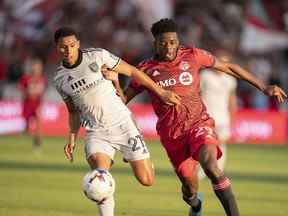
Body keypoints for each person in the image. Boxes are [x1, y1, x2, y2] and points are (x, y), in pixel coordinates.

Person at [102, 18, 287, 216]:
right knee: (189, 188)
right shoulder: (146, 69)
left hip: (199, 124)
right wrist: (115, 83)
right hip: (172, 136)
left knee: (212, 168)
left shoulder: (193, 55)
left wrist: (263, 87)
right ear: (155, 43)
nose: (169, 47)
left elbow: (229, 68)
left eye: (173, 42)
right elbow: (123, 100)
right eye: (163, 42)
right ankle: (195, 204)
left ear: (178, 41)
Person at [53, 27, 180, 216]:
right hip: (96, 131)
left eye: (72, 45)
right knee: (100, 178)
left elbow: (133, 72)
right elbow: (73, 112)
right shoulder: (60, 79)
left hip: (123, 124)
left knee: (147, 180)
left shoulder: (97, 56)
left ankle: (142, 160)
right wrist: (72, 137)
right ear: (57, 48)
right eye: (63, 47)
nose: (68, 50)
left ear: (78, 44)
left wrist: (161, 92)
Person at [198, 48, 237, 179]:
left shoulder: (231, 80)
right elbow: (197, 94)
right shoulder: (205, 76)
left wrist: (232, 118)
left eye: (225, 62)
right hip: (206, 117)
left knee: (221, 144)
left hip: (223, 118)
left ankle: (218, 172)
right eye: (221, 62)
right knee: (204, 144)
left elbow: (232, 100)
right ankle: (201, 172)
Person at [18, 57, 46, 151]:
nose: (37, 69)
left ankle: (37, 144)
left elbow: (42, 92)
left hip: (37, 104)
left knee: (39, 124)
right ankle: (25, 134)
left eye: (39, 67)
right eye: (35, 67)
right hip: (27, 104)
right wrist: (27, 92)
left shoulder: (42, 79)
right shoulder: (26, 78)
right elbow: (21, 89)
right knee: (27, 125)